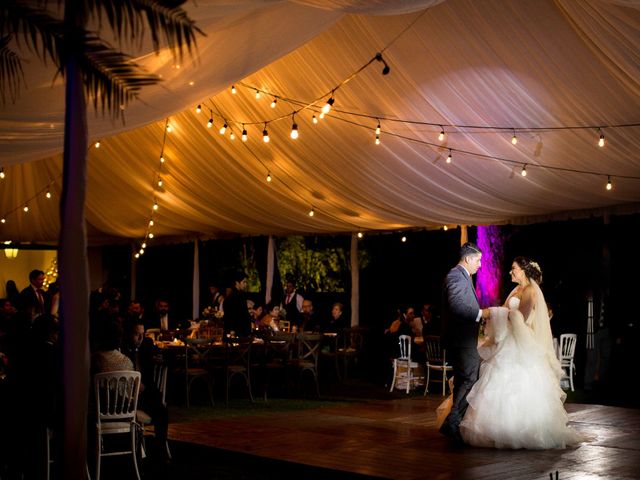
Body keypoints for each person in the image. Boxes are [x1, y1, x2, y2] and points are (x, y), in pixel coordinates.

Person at [458, 257, 586, 449]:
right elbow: (505, 311)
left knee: (518, 384)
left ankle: (519, 432)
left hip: (520, 344)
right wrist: (494, 313)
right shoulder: (515, 291)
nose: (511, 272)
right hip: (507, 341)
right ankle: (494, 430)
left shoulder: (531, 292)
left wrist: (496, 313)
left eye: (514, 269)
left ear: (524, 271)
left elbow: (521, 319)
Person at [439, 242, 490, 445]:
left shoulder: (462, 276)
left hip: (463, 340)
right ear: (468, 259)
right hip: (460, 341)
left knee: (464, 380)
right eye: (477, 260)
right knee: (470, 378)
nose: (479, 265)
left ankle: (453, 424)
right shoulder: (455, 276)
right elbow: (457, 306)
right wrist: (481, 313)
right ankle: (452, 423)